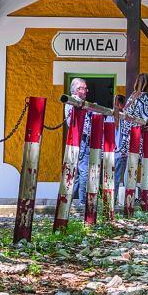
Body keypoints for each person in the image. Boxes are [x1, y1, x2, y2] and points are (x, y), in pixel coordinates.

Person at [114, 73, 148, 197]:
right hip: (141, 136)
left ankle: (129, 194)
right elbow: (147, 117)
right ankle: (147, 196)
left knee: (130, 166)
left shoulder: (133, 96)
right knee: (147, 166)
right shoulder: (145, 97)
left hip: (129, 136)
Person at [65, 77, 92, 211]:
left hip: (79, 139)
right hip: (81, 139)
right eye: (84, 88)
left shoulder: (78, 102)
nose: (86, 90)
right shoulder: (75, 101)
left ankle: (67, 200)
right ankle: (82, 203)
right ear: (77, 90)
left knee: (75, 173)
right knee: (83, 172)